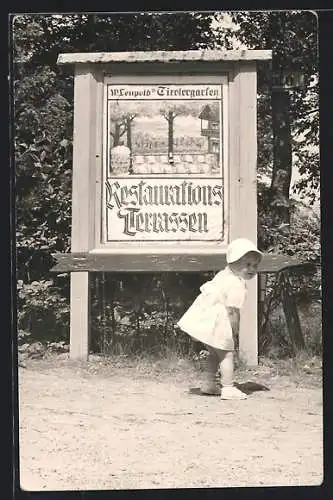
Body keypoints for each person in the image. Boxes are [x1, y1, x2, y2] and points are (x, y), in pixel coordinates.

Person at [177, 238, 262, 400]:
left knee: (214, 353)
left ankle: (208, 383)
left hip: (205, 320)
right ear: (233, 262)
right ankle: (228, 387)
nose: (252, 269)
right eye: (247, 264)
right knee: (227, 354)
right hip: (219, 321)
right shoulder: (236, 283)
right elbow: (232, 311)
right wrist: (234, 330)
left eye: (255, 265)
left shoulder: (223, 275)